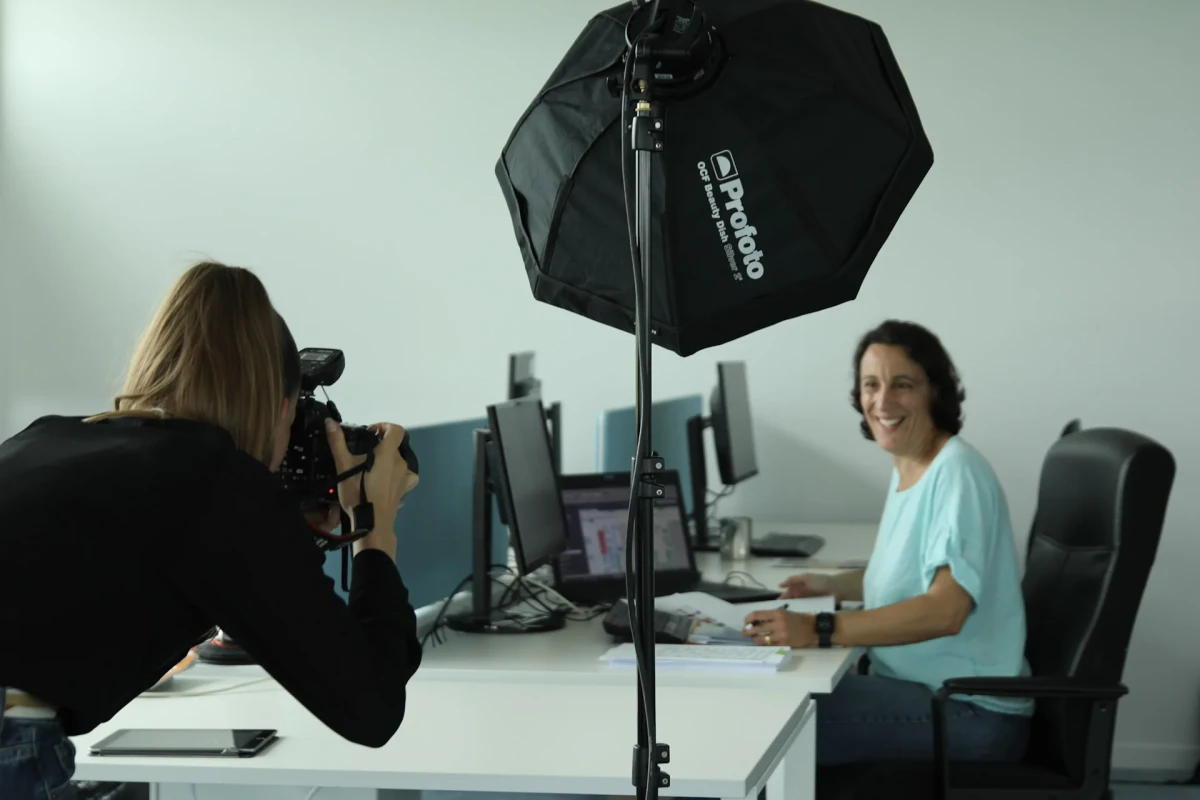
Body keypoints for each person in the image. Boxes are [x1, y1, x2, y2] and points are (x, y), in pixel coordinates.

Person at [0, 262, 422, 799]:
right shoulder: (219, 483)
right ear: (280, 405)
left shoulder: (48, 438)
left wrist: (290, 530)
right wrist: (373, 527)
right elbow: (372, 709)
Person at [743, 319, 1032, 766]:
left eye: (902, 385)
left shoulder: (956, 472)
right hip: (925, 691)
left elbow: (946, 609)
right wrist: (835, 586)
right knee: (765, 705)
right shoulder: (911, 465)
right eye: (870, 385)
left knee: (765, 724)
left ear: (934, 391)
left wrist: (819, 630)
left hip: (967, 710)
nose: (882, 401)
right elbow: (915, 573)